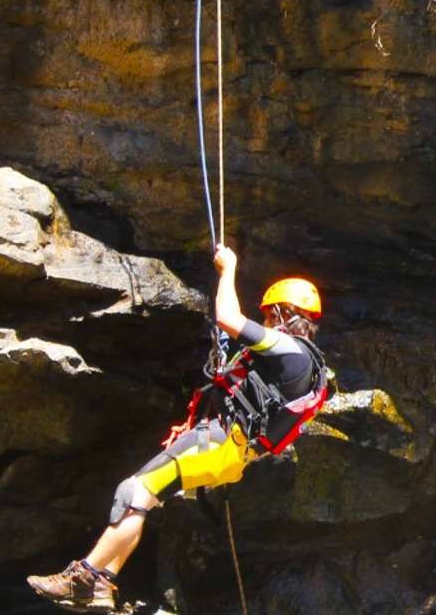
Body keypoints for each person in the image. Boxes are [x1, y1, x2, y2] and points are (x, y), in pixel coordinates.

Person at [27, 244, 331, 610]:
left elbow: (229, 317)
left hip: (219, 441)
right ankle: (104, 586)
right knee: (145, 497)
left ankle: (85, 577)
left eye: (268, 315)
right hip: (230, 452)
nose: (265, 321)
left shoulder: (289, 348)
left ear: (283, 314)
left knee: (132, 492)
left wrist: (229, 268)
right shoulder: (308, 367)